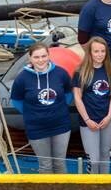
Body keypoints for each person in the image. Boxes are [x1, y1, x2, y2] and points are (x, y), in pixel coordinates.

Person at [10, 43, 72, 174]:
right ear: (30, 58)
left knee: (60, 163)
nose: (41, 60)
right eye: (36, 57)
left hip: (61, 126)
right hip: (37, 128)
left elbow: (68, 93)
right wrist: (32, 113)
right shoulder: (22, 78)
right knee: (45, 165)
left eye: (44, 56)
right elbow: (16, 101)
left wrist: (58, 109)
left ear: (49, 56)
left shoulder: (60, 73)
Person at [73, 37, 111, 174]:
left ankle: (104, 187)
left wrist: (109, 116)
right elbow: (77, 98)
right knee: (94, 159)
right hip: (89, 120)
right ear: (90, 53)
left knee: (105, 155)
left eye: (102, 51)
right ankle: (92, 187)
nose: (99, 54)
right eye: (96, 51)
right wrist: (87, 119)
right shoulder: (80, 72)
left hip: (108, 119)